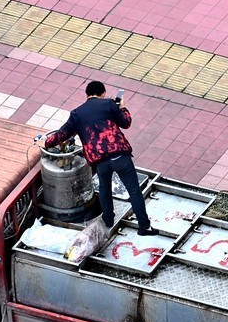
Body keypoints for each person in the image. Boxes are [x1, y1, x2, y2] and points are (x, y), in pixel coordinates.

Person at [44, 81, 158, 236]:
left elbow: (62, 134)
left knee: (104, 187)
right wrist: (122, 107)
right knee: (134, 191)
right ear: (103, 93)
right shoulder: (109, 104)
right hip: (119, 155)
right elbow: (126, 123)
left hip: (99, 160)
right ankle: (144, 227)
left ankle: (108, 219)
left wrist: (45, 142)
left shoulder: (76, 114)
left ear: (87, 95)